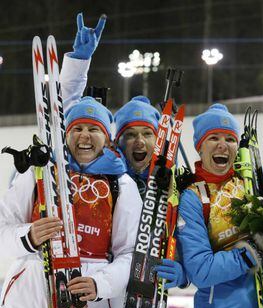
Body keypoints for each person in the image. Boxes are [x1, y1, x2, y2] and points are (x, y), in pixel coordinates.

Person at [59, 12, 187, 291]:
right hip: (103, 284)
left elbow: (187, 235)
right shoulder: (109, 175)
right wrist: (78, 63)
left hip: (145, 290)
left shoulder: (174, 184)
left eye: (146, 134)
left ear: (159, 139)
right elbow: (65, 117)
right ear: (115, 142)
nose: (138, 142)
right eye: (129, 135)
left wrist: (184, 269)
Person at [0, 97, 141, 308]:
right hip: (31, 290)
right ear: (65, 135)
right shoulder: (40, 172)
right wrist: (28, 237)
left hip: (88, 294)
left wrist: (100, 284)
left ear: (106, 138)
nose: (85, 135)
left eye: (94, 128)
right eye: (77, 128)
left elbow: (130, 253)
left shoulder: (120, 183)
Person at [176, 103, 263, 308]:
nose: (223, 145)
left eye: (230, 139)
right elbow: (201, 272)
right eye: (214, 138)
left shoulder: (250, 185)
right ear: (200, 147)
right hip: (221, 304)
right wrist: (252, 252)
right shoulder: (194, 197)